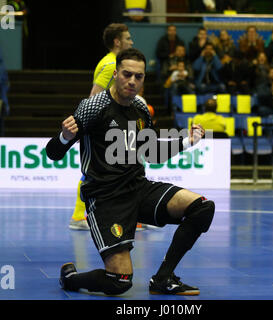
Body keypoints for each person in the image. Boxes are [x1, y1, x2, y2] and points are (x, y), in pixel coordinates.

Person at [45, 48, 214, 296]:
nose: (133, 81)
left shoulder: (141, 110)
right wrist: (64, 136)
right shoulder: (93, 108)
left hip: (138, 188)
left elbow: (152, 154)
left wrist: (187, 142)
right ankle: (71, 279)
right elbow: (53, 152)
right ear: (115, 74)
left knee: (202, 208)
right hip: (105, 198)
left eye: (139, 76)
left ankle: (163, 278)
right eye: (127, 74)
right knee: (120, 281)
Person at [69, 23, 133, 230]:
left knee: (131, 165)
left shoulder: (116, 62)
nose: (131, 42)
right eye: (128, 38)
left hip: (118, 124)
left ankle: (137, 216)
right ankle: (78, 216)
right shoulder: (110, 64)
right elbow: (94, 97)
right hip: (105, 127)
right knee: (92, 172)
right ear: (117, 42)